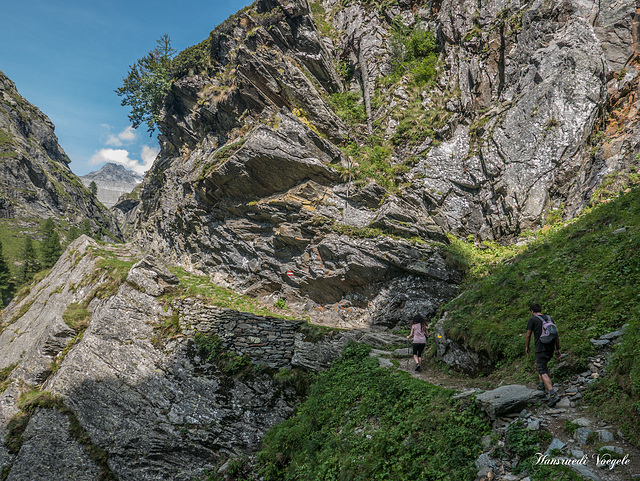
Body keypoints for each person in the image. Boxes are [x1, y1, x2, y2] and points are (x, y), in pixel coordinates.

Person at [525, 302, 562, 406]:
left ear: (532, 311)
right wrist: (557, 349)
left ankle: (553, 394)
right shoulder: (549, 318)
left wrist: (527, 347)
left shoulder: (532, 319)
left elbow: (528, 335)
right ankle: (541, 387)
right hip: (550, 348)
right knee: (541, 366)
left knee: (542, 370)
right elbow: (556, 335)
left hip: (540, 348)